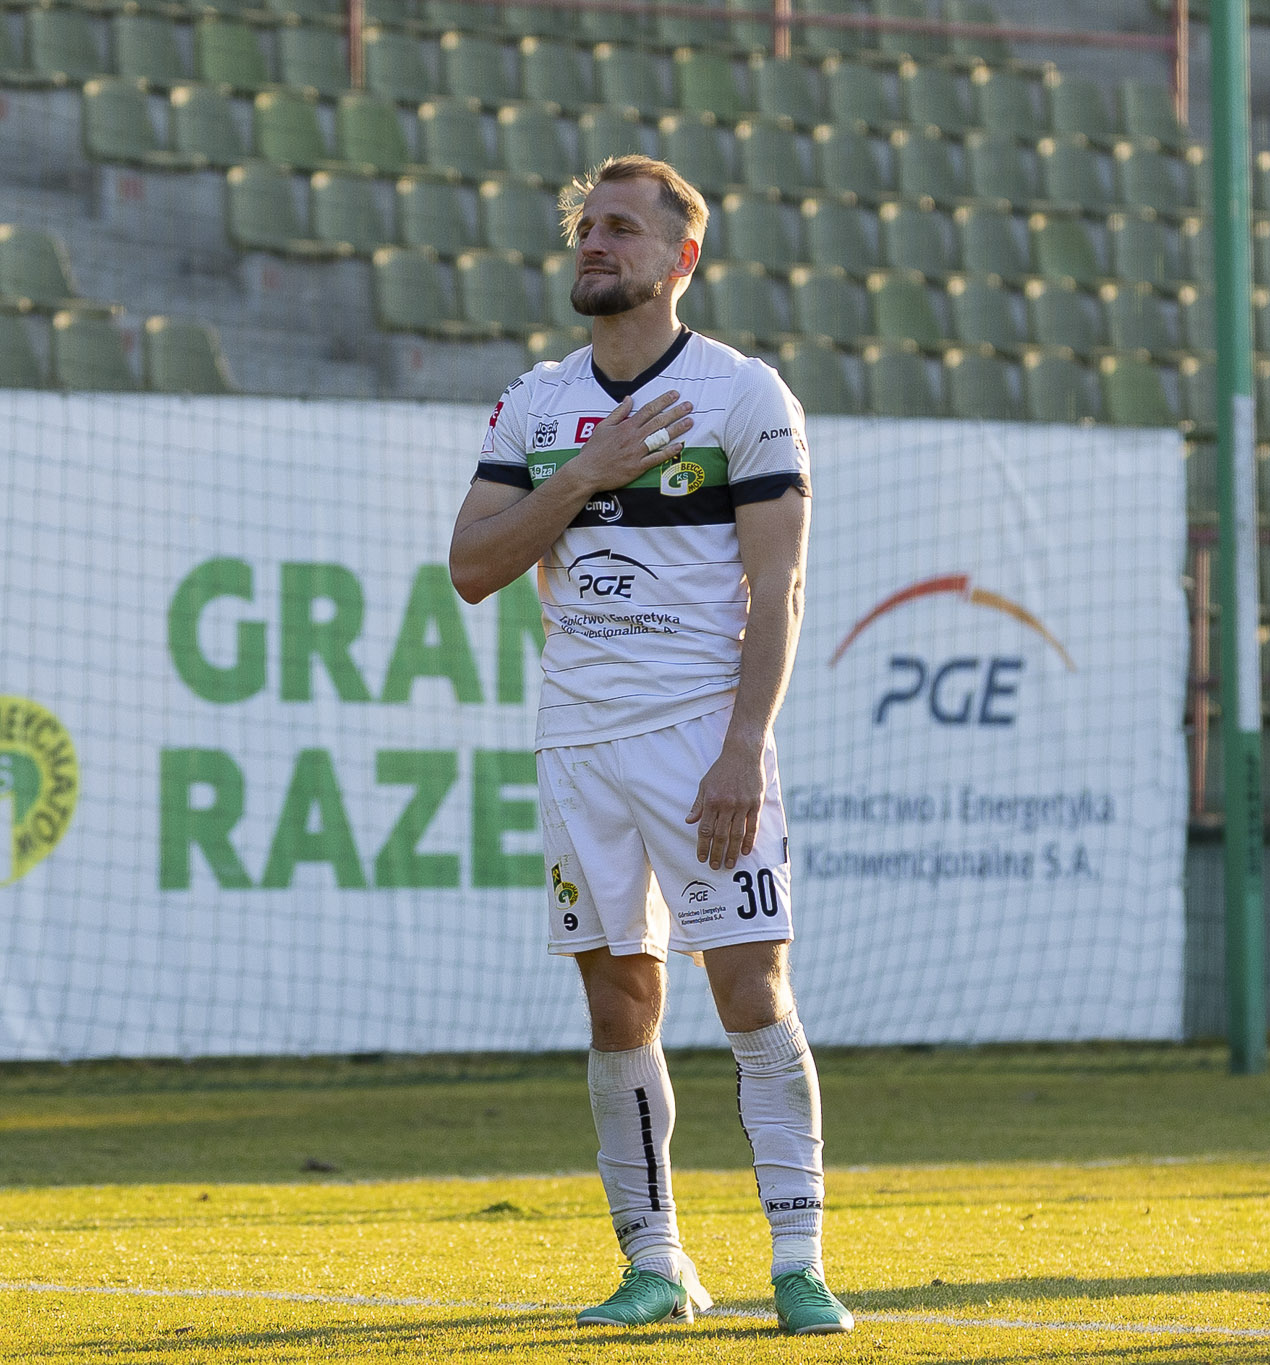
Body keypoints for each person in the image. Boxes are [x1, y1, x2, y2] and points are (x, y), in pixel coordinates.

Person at [447, 154, 852, 1336]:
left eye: (621, 228)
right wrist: (586, 474)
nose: (594, 243)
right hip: (577, 743)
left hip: (699, 739)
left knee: (750, 991)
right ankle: (655, 1261)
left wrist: (743, 747)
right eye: (586, 225)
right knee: (618, 1003)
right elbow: (473, 567)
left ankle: (798, 1264)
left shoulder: (743, 396)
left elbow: (777, 591)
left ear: (682, 258)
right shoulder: (535, 404)